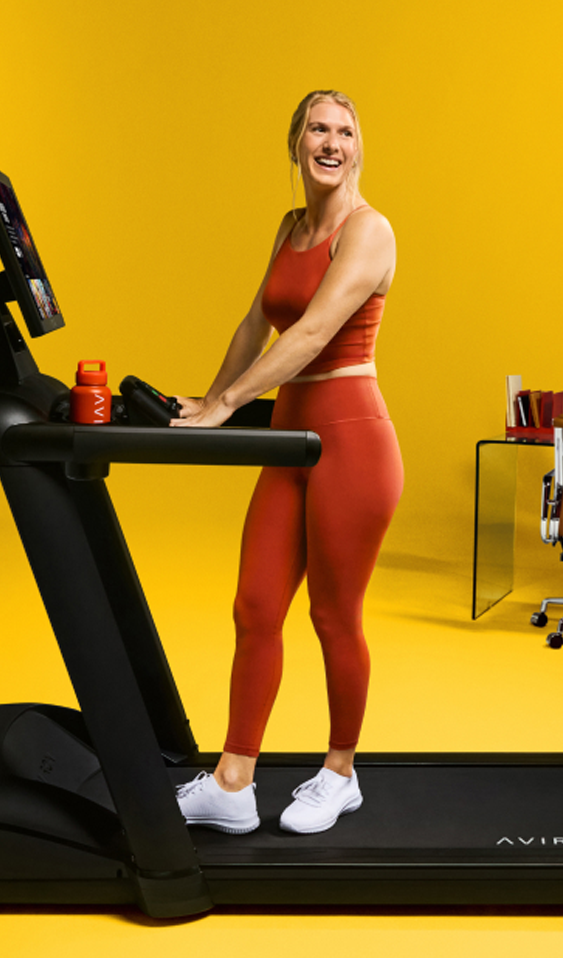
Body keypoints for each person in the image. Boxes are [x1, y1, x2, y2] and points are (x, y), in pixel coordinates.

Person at [170, 90, 402, 835]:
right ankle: (233, 782)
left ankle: (341, 772)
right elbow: (253, 323)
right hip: (288, 440)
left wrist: (231, 403)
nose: (330, 143)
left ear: (359, 146)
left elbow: (306, 338)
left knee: (334, 615)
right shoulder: (290, 227)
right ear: (296, 144)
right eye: (316, 130)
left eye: (344, 131)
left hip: (352, 439)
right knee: (256, 607)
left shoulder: (370, 233)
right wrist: (207, 402)